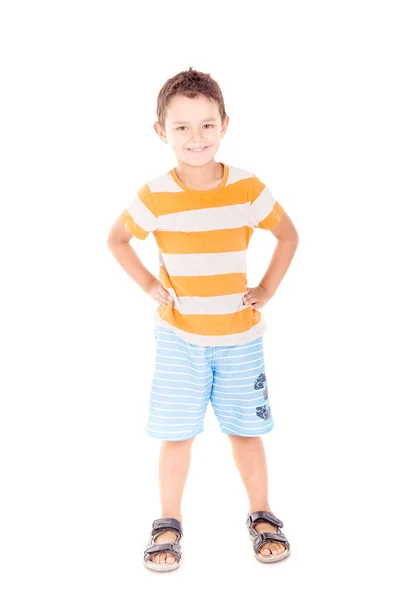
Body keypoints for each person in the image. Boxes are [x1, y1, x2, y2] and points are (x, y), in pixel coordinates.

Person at [107, 67, 299, 571]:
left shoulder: (247, 188)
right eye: (182, 127)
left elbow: (289, 236)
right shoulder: (154, 195)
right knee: (176, 433)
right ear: (161, 131)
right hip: (180, 339)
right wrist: (150, 285)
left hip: (240, 338)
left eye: (207, 125)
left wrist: (265, 290)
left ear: (225, 125)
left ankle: (261, 513)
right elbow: (117, 240)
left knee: (245, 431)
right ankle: (167, 523)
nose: (196, 138)